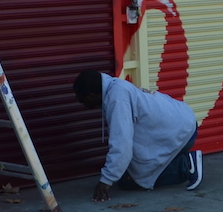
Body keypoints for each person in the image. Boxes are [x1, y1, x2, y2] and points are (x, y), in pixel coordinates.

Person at [73, 70, 202, 201]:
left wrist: (106, 180)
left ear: (91, 95)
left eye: (82, 100)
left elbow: (122, 145)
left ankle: (186, 165)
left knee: (130, 181)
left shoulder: (117, 99)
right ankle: (175, 159)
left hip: (183, 132)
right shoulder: (115, 87)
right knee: (126, 175)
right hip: (182, 123)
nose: (81, 103)